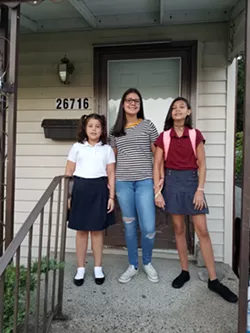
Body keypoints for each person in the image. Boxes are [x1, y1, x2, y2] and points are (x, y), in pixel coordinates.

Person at [153, 97, 238, 303]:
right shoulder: (164, 137)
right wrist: (157, 192)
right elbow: (157, 165)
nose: (178, 110)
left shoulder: (195, 135)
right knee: (179, 229)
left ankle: (213, 279)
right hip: (172, 183)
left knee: (203, 231)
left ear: (189, 111)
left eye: (182, 107)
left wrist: (200, 189)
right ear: (171, 113)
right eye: (174, 108)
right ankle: (184, 271)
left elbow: (202, 164)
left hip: (192, 183)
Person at [109, 88, 160, 284]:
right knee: (129, 226)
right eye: (129, 100)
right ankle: (133, 265)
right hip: (123, 183)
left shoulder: (148, 126)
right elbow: (111, 160)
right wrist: (110, 185)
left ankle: (147, 262)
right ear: (123, 104)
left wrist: (159, 178)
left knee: (148, 227)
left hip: (145, 181)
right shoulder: (115, 131)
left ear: (140, 104)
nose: (133, 103)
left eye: (136, 100)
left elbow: (158, 155)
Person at [65, 113, 116, 286]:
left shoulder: (107, 149)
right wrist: (69, 196)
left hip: (99, 190)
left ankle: (98, 268)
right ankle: (80, 269)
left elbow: (111, 174)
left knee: (96, 231)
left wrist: (111, 197)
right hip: (80, 190)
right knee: (81, 231)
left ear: (102, 130)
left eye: (98, 126)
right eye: (90, 126)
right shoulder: (77, 147)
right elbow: (69, 173)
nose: (94, 129)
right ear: (85, 129)